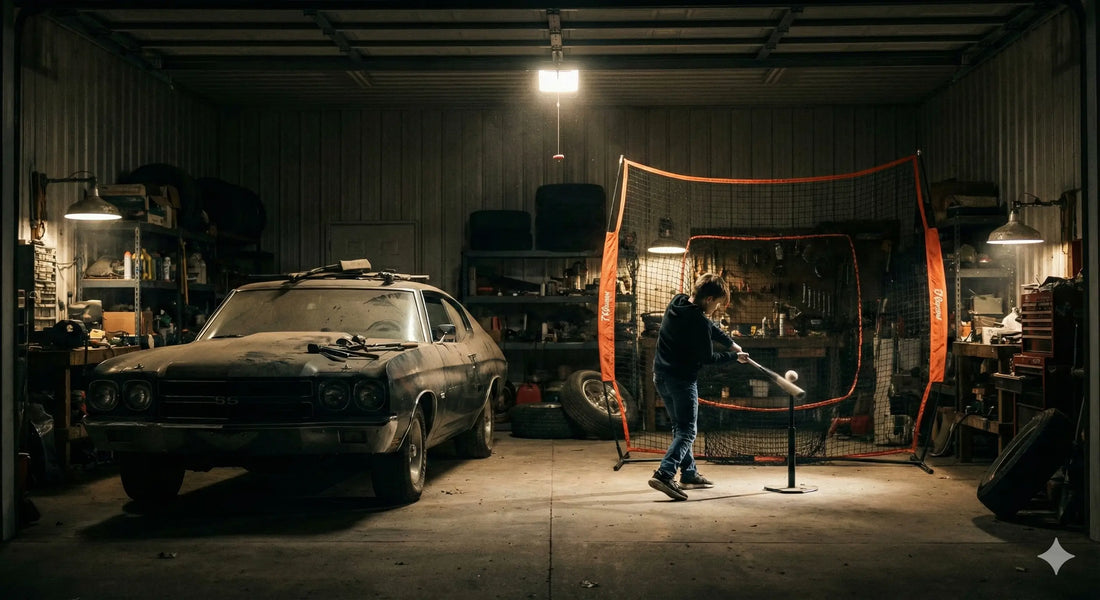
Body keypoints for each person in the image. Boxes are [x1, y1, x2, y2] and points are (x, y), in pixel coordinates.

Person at [648, 272, 748, 500]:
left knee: (679, 426)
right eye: (718, 304)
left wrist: (732, 344)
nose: (717, 308)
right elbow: (708, 358)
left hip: (660, 375)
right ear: (710, 299)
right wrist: (735, 358)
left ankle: (689, 473)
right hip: (681, 380)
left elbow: (710, 327)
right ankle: (664, 474)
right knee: (687, 431)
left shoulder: (678, 301)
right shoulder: (699, 321)